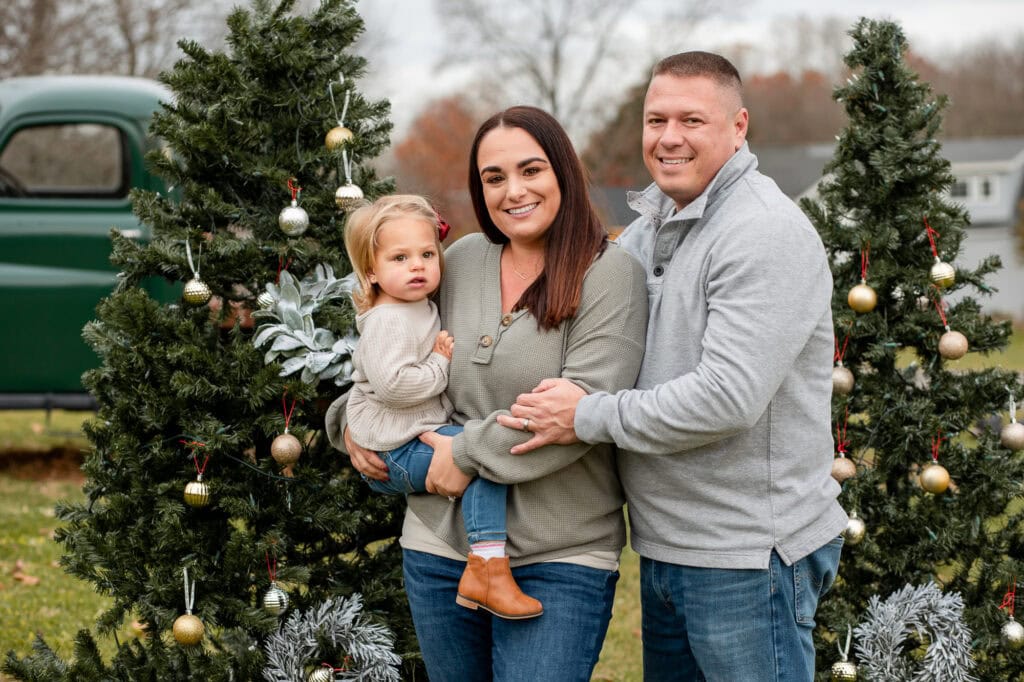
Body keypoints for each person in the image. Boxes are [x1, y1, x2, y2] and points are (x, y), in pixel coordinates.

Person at [499, 52, 847, 682]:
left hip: (746, 554)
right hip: (667, 546)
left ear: (739, 127)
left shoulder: (761, 232)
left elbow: (727, 398)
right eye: (656, 119)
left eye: (692, 120)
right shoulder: (648, 229)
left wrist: (587, 415)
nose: (669, 138)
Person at [327, 105, 648, 682]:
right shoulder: (461, 259)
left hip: (558, 552)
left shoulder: (609, 274)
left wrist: (462, 452)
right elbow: (391, 352)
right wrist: (346, 425)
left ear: (564, 174)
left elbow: (576, 411)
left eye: (532, 170)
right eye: (493, 178)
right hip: (437, 542)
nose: (513, 191)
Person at [341, 193, 542, 620]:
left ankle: (485, 568)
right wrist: (439, 364)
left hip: (407, 436)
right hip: (394, 448)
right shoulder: (388, 320)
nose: (417, 265)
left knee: (476, 450)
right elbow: (393, 386)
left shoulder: (415, 306)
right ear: (371, 271)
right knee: (482, 458)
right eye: (400, 258)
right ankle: (488, 568)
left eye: (427, 254)